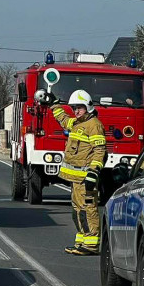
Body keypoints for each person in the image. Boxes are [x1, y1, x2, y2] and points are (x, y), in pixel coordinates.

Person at [48, 89, 108, 256]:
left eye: (79, 108)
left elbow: (99, 151)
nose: (76, 111)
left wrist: (93, 172)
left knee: (87, 209)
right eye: (74, 108)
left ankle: (91, 244)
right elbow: (63, 119)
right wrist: (55, 106)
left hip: (85, 179)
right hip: (76, 179)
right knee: (77, 211)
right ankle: (82, 241)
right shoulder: (76, 123)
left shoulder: (94, 125)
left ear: (87, 107)